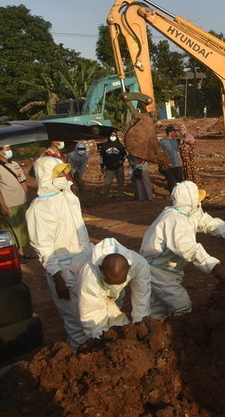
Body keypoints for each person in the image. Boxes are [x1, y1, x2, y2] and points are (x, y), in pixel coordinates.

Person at [140, 181, 225, 318]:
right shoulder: (174, 220)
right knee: (181, 306)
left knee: (157, 309)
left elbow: (211, 224)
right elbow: (190, 249)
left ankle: (155, 326)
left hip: (167, 269)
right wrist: (213, 266)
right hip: (158, 271)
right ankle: (174, 328)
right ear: (191, 200)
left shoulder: (190, 213)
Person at [26, 157, 91, 349]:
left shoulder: (67, 196)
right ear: (46, 175)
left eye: (64, 171)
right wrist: (57, 277)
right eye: (58, 172)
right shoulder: (40, 208)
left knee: (90, 313)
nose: (63, 175)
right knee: (75, 320)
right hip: (63, 268)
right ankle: (78, 356)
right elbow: (43, 246)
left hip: (83, 261)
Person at [72, 238, 151, 344]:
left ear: (129, 268)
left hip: (105, 289)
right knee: (81, 330)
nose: (114, 287)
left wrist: (140, 329)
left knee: (117, 322)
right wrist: (103, 343)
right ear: (100, 269)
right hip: (75, 279)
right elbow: (91, 317)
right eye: (110, 282)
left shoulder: (140, 265)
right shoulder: (89, 277)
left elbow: (141, 301)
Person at [0, 145, 33, 259]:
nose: (10, 151)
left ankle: (21, 252)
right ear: (0, 152)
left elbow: (22, 181)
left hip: (21, 201)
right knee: (11, 230)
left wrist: (27, 197)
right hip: (8, 203)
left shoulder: (15, 164)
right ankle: (14, 255)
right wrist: (2, 205)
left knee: (22, 227)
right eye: (7, 149)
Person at [99, 131, 127, 198]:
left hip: (119, 166)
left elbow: (125, 155)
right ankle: (106, 194)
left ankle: (120, 194)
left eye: (114, 135)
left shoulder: (120, 146)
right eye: (111, 135)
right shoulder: (104, 146)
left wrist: (122, 160)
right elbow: (101, 157)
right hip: (109, 167)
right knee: (107, 182)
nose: (113, 137)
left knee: (120, 181)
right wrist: (102, 166)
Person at [160, 125, 185, 194]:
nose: (175, 133)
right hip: (169, 164)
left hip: (177, 163)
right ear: (170, 133)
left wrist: (180, 161)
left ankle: (182, 193)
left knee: (180, 180)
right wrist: (164, 163)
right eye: (173, 132)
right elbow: (162, 152)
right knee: (171, 181)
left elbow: (177, 151)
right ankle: (172, 194)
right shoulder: (163, 141)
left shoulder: (174, 140)